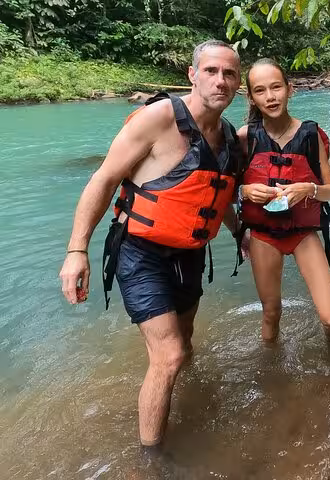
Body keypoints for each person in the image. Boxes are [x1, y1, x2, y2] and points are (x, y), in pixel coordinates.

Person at [58, 39, 244, 446]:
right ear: (192, 75)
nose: (220, 80)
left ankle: (184, 397)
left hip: (190, 254)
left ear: (238, 83)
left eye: (230, 74)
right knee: (169, 353)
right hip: (140, 251)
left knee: (186, 340)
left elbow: (216, 195)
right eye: (211, 71)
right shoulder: (158, 119)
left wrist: (238, 232)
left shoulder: (228, 137)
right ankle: (150, 459)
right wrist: (77, 251)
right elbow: (103, 180)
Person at [236, 58, 330, 342]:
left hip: (303, 234)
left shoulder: (310, 135)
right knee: (271, 313)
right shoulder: (245, 138)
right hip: (264, 235)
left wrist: (309, 188)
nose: (270, 97)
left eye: (276, 87)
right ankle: (272, 377)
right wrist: (244, 192)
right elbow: (226, 190)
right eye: (260, 91)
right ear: (251, 97)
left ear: (289, 89)